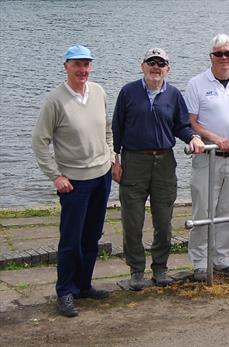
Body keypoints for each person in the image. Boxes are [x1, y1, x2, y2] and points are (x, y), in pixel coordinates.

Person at [112, 48, 205, 290]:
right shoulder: (128, 92)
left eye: (161, 64)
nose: (156, 67)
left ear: (168, 69)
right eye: (151, 62)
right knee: (132, 220)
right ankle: (136, 271)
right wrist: (115, 160)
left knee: (164, 220)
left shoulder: (173, 94)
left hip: (164, 162)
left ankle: (160, 269)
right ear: (142, 66)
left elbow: (182, 125)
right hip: (134, 161)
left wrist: (193, 137)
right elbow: (116, 128)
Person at [32, 45, 113, 317]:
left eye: (87, 65)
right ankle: (65, 291)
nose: (83, 70)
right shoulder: (55, 101)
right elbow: (40, 142)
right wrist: (55, 175)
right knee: (71, 239)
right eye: (77, 65)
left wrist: (111, 157)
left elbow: (107, 129)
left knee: (92, 235)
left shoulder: (99, 92)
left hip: (101, 177)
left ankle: (84, 286)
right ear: (66, 66)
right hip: (74, 183)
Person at [185, 34, 229, 280]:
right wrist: (214, 138)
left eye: (228, 53)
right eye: (218, 54)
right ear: (211, 57)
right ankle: (200, 262)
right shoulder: (196, 84)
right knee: (203, 210)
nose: (223, 58)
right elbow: (191, 122)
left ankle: (222, 257)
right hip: (208, 157)